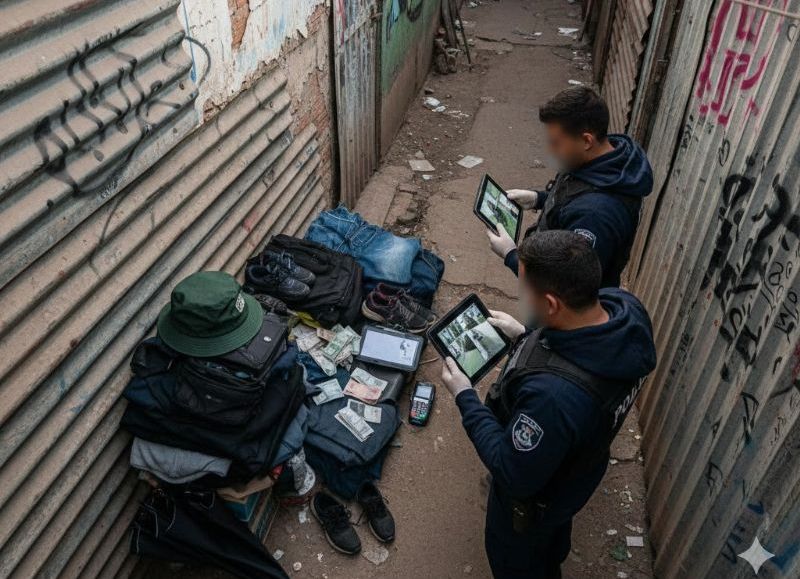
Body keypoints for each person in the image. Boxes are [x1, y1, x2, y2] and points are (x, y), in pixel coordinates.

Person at [441, 231, 657, 578]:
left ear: (553, 305)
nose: (520, 296)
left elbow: (512, 473)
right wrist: (526, 336)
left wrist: (465, 397)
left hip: (533, 503)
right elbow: (574, 347)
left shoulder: (553, 400)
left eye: (525, 289)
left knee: (520, 560)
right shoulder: (624, 311)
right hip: (573, 474)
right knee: (552, 537)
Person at [486, 86, 653, 288]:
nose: (550, 150)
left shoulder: (595, 217)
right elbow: (578, 192)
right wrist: (539, 198)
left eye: (556, 143)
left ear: (586, 140)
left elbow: (566, 287)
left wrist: (510, 255)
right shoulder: (604, 161)